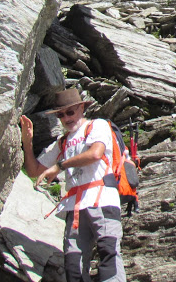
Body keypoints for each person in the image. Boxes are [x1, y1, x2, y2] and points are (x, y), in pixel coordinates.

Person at [20, 89, 126, 282]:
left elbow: (95, 153)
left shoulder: (97, 126)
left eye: (70, 112)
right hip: (75, 207)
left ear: (81, 108)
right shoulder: (62, 142)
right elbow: (34, 171)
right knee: (73, 265)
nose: (66, 118)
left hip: (102, 199)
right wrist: (27, 143)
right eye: (61, 115)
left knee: (108, 253)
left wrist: (60, 166)